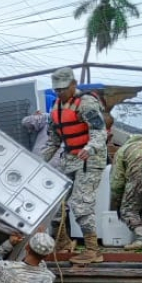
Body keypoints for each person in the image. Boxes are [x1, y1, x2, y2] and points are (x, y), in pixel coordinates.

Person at [41, 67, 109, 263]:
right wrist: (38, 161)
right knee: (55, 203)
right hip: (69, 159)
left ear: (73, 85)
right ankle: (62, 242)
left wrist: (90, 147)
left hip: (89, 160)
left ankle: (92, 250)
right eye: (56, 89)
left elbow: (99, 132)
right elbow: (53, 141)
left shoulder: (86, 103)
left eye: (63, 88)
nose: (59, 93)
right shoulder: (55, 108)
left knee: (81, 204)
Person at [110, 126, 142, 250]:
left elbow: (117, 182)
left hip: (139, 175)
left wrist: (116, 203)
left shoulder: (124, 149)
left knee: (128, 210)